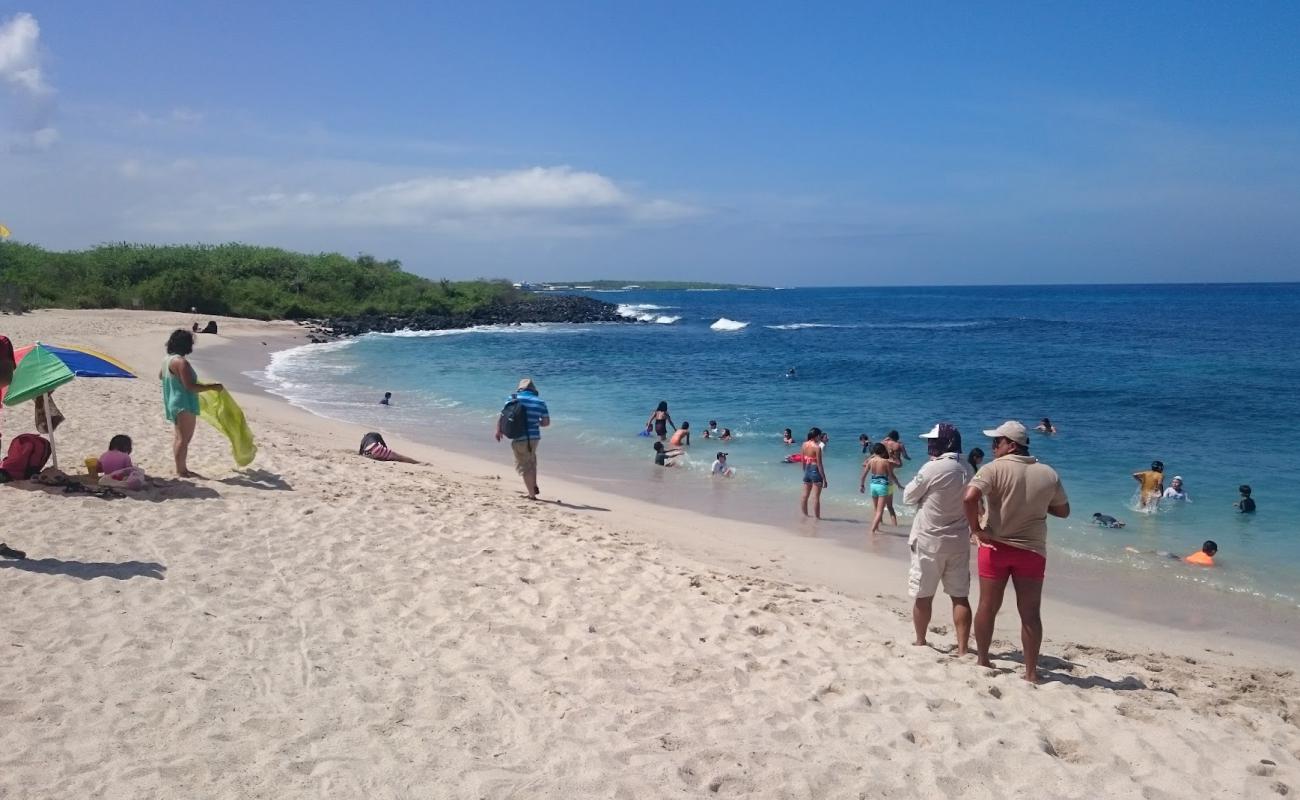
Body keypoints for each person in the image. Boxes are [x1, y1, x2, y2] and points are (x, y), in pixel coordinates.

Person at [964, 421, 1069, 683]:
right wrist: (1035, 505)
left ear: (1011, 445)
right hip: (1031, 550)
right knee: (1031, 613)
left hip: (995, 546)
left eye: (996, 442)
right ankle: (1031, 673)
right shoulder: (1048, 473)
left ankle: (983, 659)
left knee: (987, 606)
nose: (992, 447)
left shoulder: (993, 469)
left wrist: (976, 529)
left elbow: (969, 498)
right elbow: (1063, 511)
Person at [903, 423, 973, 654]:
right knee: (960, 596)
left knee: (923, 594)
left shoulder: (933, 468)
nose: (929, 445)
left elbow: (908, 496)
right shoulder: (968, 467)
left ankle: (921, 640)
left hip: (929, 540)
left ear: (944, 443)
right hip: (959, 540)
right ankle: (963, 648)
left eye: (933, 441)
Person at [160, 329, 223, 477]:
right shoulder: (181, 362)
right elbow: (190, 387)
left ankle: (180, 468)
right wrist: (213, 386)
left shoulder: (167, 360)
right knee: (184, 439)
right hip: (184, 403)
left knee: (178, 437)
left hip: (173, 402)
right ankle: (181, 470)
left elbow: (161, 376)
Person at [495, 378, 550, 500]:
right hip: (534, 437)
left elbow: (503, 415)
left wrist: (498, 430)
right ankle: (533, 486)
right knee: (531, 461)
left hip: (519, 436)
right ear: (533, 390)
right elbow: (546, 423)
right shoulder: (540, 402)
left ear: (520, 389)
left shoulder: (513, 398)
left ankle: (531, 494)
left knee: (524, 465)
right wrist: (535, 422)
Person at [861, 443, 903, 534]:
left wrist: (862, 485)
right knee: (880, 511)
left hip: (873, 486)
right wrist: (898, 484)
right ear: (883, 451)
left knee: (876, 510)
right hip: (883, 486)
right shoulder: (885, 462)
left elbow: (863, 475)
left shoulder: (871, 461)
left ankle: (877, 528)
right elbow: (891, 475)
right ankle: (872, 531)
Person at [799, 427, 827, 519]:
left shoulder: (804, 444)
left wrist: (805, 471)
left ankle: (805, 516)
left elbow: (802, 460)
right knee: (816, 498)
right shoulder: (817, 447)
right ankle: (817, 519)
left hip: (807, 469)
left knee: (805, 495)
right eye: (819, 435)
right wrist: (824, 479)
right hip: (815, 470)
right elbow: (820, 464)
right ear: (817, 436)